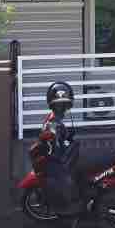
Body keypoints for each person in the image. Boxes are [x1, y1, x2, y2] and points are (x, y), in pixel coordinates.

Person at [28, 82, 83, 216]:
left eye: (63, 105)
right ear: (53, 105)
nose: (61, 108)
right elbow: (49, 134)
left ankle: (71, 205)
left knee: (65, 175)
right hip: (58, 157)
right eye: (59, 105)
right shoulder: (53, 121)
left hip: (61, 157)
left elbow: (56, 136)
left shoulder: (56, 120)